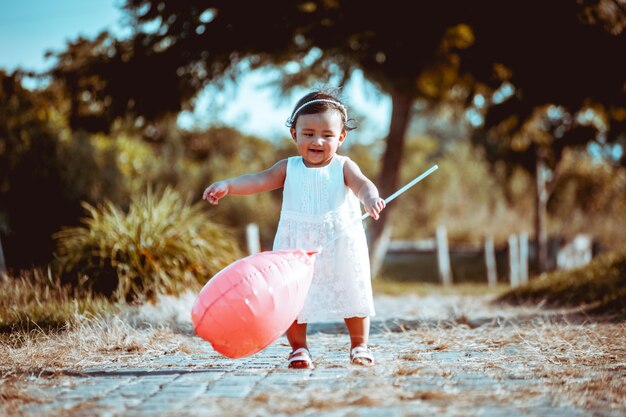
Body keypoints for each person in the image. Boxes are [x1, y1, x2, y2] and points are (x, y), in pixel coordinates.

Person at [202, 90, 385, 368]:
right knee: (294, 298)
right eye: (308, 133)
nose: (317, 141)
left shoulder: (343, 166)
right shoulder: (289, 167)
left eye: (327, 134)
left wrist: (370, 198)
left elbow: (362, 183)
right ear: (294, 134)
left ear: (341, 137)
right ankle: (299, 348)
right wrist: (229, 185)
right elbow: (258, 179)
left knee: (353, 292)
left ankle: (359, 345)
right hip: (296, 245)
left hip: (340, 243)